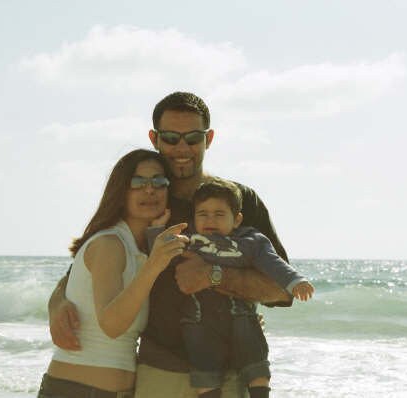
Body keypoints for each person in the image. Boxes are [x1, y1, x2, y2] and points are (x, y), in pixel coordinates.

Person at [49, 92, 294, 398]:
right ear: (155, 138)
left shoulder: (238, 200)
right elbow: (89, 266)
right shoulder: (147, 204)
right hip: (158, 372)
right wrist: (57, 303)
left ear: (209, 138)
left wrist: (216, 276)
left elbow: (283, 291)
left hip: (227, 376)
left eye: (193, 138)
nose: (182, 148)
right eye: (171, 137)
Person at [38, 149, 190, 398]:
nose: (149, 190)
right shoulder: (110, 244)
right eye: (137, 182)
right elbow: (111, 324)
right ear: (121, 190)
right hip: (77, 391)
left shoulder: (137, 248)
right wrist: (154, 264)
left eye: (159, 182)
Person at [147, 180, 315, 398]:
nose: (210, 220)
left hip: (241, 317)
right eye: (203, 214)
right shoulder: (191, 241)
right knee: (204, 367)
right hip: (199, 321)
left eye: (219, 214)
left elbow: (273, 263)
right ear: (194, 218)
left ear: (236, 219)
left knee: (255, 358)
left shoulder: (251, 242)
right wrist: (155, 229)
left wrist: (295, 282)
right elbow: (162, 255)